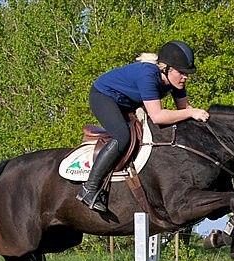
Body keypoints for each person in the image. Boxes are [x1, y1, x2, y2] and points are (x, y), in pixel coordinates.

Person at [77, 40, 210, 212]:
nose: (185, 77)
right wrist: (192, 113)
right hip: (103, 97)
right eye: (182, 73)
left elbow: (184, 110)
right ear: (166, 68)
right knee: (123, 136)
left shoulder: (176, 82)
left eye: (187, 74)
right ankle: (90, 188)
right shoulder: (147, 75)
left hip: (127, 102)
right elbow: (158, 117)